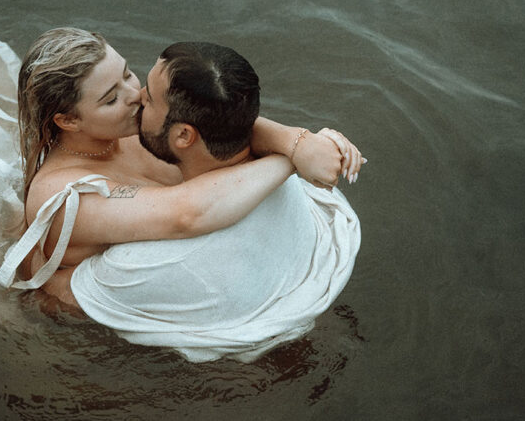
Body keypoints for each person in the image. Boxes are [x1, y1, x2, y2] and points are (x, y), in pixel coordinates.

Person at [27, 40, 362, 362]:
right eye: (111, 98)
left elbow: (216, 124)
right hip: (72, 312)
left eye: (128, 74)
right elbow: (185, 213)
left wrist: (296, 140)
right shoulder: (64, 191)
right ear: (68, 120)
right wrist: (291, 158)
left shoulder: (129, 132)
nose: (137, 96)